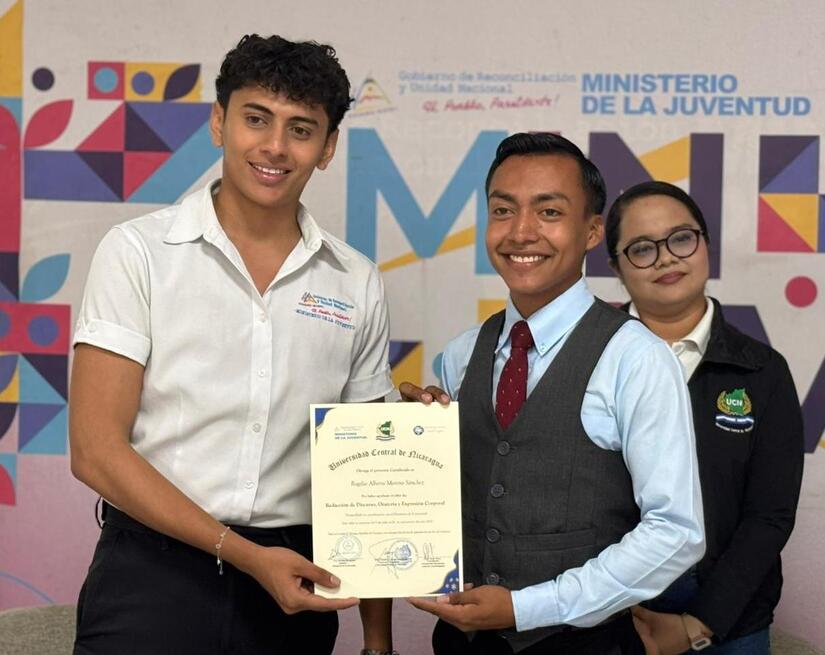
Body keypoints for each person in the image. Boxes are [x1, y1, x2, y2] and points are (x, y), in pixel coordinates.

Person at [69, 34, 397, 655]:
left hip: (295, 583)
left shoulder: (355, 281)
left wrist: (377, 642)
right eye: (256, 119)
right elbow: (94, 451)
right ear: (219, 122)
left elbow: (368, 482)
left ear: (328, 148)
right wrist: (243, 554)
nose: (275, 146)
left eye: (301, 129)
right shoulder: (138, 253)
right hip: (151, 573)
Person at [402, 132, 705, 654]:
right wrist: (409, 451)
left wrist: (530, 607)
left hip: (584, 645)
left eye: (549, 212)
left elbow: (676, 531)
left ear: (591, 231)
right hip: (461, 641)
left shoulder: (636, 357)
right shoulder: (461, 354)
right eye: (503, 210)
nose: (521, 232)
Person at [604, 181, 804, 654]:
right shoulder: (589, 361)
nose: (666, 259)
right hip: (610, 612)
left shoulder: (761, 371)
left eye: (681, 238)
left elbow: (769, 515)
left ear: (705, 244)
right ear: (616, 267)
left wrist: (700, 624)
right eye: (642, 248)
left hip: (730, 618)